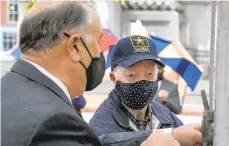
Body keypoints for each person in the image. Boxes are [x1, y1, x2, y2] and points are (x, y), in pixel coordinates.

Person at [1, 1, 202, 146]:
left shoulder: (8, 89)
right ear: (74, 46)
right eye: (97, 42)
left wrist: (168, 135)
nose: (100, 53)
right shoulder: (56, 120)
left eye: (149, 74)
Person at [89, 35, 202, 146]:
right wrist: (165, 135)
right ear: (114, 78)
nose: (142, 82)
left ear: (157, 74)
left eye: (150, 74)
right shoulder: (101, 124)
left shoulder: (167, 117)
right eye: (132, 75)